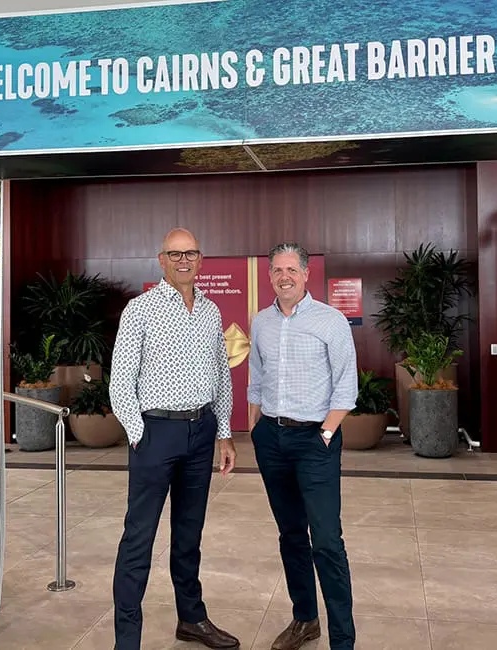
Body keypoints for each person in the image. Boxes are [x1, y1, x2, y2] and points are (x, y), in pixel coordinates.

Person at [109, 227, 240, 650]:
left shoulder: (210, 311)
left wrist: (223, 433)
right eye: (175, 254)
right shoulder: (140, 310)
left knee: (189, 533)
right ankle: (126, 641)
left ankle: (192, 619)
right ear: (161, 260)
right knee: (138, 539)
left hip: (201, 434)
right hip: (156, 434)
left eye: (191, 254)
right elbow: (120, 382)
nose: (184, 261)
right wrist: (137, 432)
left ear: (201, 260)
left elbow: (222, 377)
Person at [247, 242, 359, 650]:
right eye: (277, 270)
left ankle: (342, 639)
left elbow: (346, 386)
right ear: (270, 275)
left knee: (327, 540)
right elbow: (256, 376)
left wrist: (327, 433)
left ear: (307, 274)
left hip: (317, 440)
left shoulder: (331, 321)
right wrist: (255, 424)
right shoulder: (261, 322)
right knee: (291, 534)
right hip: (272, 440)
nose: (284, 276)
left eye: (291, 269)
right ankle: (304, 619)